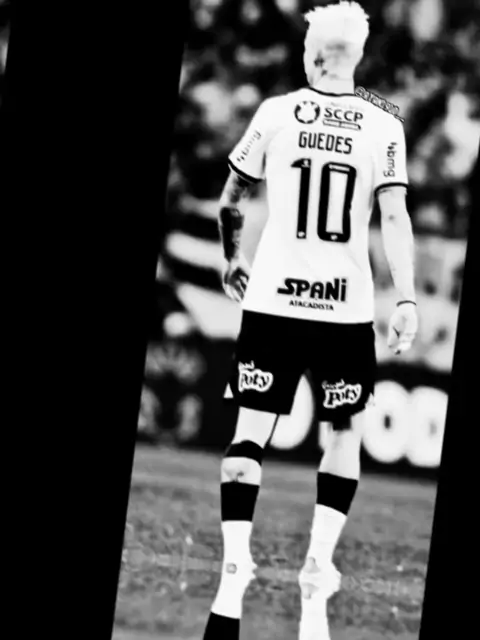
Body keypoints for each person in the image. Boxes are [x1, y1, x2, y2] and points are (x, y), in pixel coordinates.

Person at [203, 2, 418, 639]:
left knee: (247, 440)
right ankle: (317, 568)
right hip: (344, 309)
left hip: (272, 302)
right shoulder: (384, 123)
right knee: (343, 434)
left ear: (311, 55)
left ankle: (233, 574)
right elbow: (395, 217)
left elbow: (230, 201)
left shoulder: (275, 113)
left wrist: (232, 258)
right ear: (357, 57)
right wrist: (406, 298)